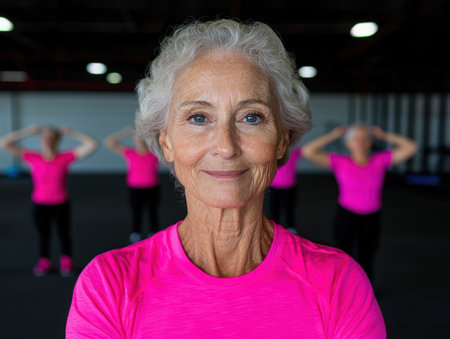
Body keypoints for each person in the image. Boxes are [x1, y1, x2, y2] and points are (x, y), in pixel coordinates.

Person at [66, 20, 386, 338]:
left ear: (282, 140)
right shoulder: (108, 286)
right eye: (198, 117)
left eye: (251, 117)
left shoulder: (338, 283)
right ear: (166, 142)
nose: (225, 146)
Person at [302, 124, 417, 281]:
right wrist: (334, 135)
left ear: (370, 142)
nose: (361, 142)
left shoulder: (380, 160)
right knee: (343, 258)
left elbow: (411, 147)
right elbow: (308, 151)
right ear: (348, 143)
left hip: (371, 218)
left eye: (365, 138)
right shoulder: (340, 162)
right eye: (356, 138)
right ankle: (343, 292)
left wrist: (383, 135)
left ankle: (365, 295)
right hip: (346, 216)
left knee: (366, 258)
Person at [0, 125, 98, 276]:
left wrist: (72, 132)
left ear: (58, 141)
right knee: (43, 235)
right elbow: (4, 142)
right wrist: (27, 132)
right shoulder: (33, 157)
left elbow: (92, 144)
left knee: (63, 234)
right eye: (45, 137)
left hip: (61, 203)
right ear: (40, 140)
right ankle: (44, 262)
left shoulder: (65, 157)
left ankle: (66, 262)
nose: (48, 140)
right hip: (40, 204)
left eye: (52, 137)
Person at [104, 127, 160, 243]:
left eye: (141, 139)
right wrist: (125, 132)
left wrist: (151, 132)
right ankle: (136, 233)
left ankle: (154, 233)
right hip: (135, 188)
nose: (139, 142)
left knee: (152, 212)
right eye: (136, 140)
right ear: (134, 142)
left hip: (152, 188)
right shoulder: (130, 153)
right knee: (136, 212)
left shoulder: (154, 154)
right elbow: (109, 142)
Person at [267, 146, 302, 233]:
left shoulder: (294, 151)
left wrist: (332, 135)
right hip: (274, 187)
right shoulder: (272, 153)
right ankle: (273, 230)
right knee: (274, 210)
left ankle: (290, 228)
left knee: (289, 209)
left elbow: (309, 149)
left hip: (290, 187)